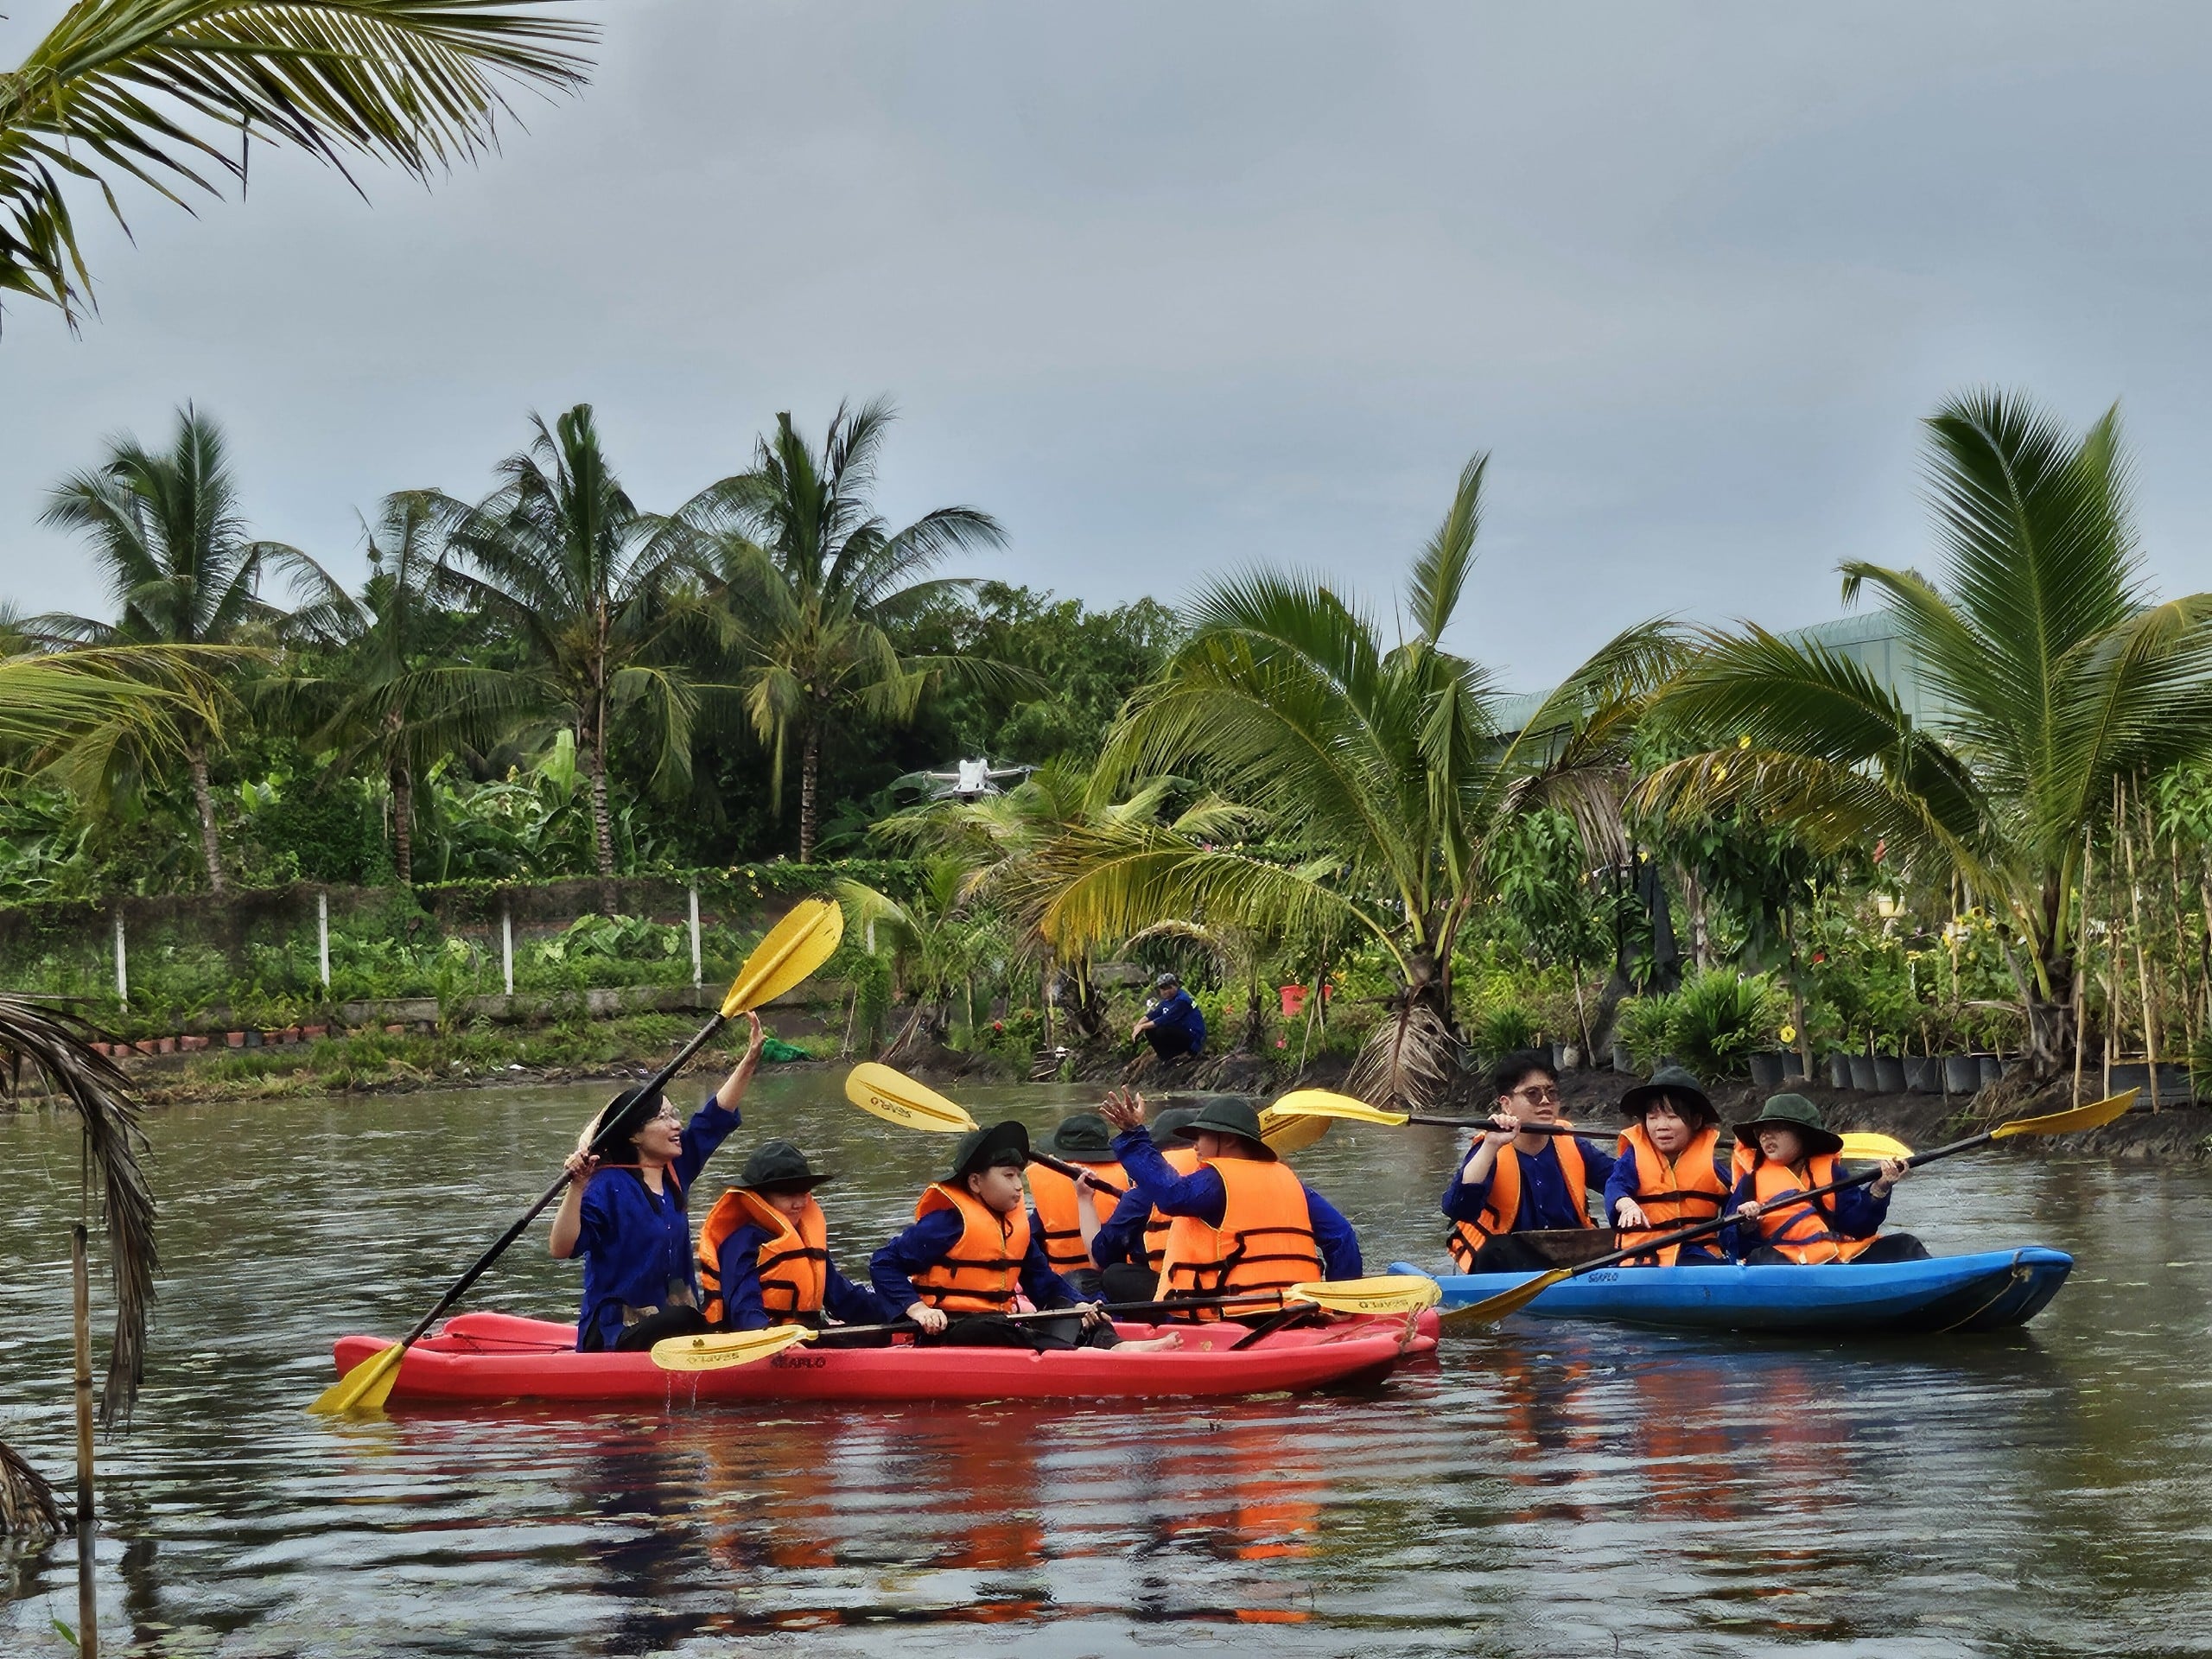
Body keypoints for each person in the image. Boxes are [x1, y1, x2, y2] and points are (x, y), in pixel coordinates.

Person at [550, 1012, 765, 1351]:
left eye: (675, 1115)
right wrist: (577, 1186)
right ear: (635, 1134)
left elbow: (715, 1118)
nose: (677, 1124)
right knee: (686, 1319)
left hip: (675, 1331)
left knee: (702, 1316)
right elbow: (561, 1248)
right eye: (663, 1118)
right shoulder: (606, 1185)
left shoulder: (676, 1169)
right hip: (614, 1334)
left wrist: (749, 1062)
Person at [869, 1119, 1180, 1351]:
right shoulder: (946, 1223)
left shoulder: (1014, 1228)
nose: (1019, 1186)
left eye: (1018, 1175)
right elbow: (884, 1263)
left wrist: (1078, 1305)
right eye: (1008, 1176)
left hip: (1002, 1324)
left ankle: (1114, 1345)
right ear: (975, 1183)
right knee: (981, 1329)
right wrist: (919, 1309)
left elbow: (1044, 1285)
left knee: (1075, 1307)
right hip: (952, 1331)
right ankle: (1076, 1354)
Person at [1098, 1089, 1361, 1320]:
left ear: (1230, 1140)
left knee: (1115, 1276)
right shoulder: (1292, 1183)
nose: (1196, 1146)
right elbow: (1341, 1236)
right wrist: (1340, 1306)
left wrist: (1134, 1136)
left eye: (1202, 1136)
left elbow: (1172, 1196)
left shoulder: (1215, 1181)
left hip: (1234, 1313)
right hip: (1295, 1308)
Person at [695, 1140, 898, 1344]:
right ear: (760, 1198)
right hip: (762, 1343)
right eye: (787, 1194)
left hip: (806, 1337)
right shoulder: (742, 1244)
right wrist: (775, 1341)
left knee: (880, 1336)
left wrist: (899, 1310)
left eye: (803, 1193)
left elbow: (845, 1299)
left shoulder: (805, 1241)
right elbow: (744, 1309)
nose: (799, 1203)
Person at [1441, 1049, 1618, 1273]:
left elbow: (1619, 1178)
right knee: (1498, 1251)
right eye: (1532, 1094)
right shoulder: (1489, 1148)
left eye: (1551, 1093)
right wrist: (1491, 1145)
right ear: (1506, 1104)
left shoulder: (1573, 1144)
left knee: (1622, 1239)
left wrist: (1625, 1200)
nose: (1545, 1101)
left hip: (1569, 1254)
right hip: (1507, 1259)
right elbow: (1459, 1208)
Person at [1724, 1094, 1926, 1264]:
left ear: (1804, 1136)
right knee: (1762, 1259)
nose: (1766, 1136)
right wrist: (1745, 1225)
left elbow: (1857, 1227)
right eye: (1762, 1132)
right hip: (1783, 1262)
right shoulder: (1750, 1183)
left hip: (1834, 1260)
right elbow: (1731, 1244)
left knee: (1904, 1245)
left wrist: (1880, 1187)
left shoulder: (1833, 1174)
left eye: (1777, 1128)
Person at [1605, 1065, 1731, 1266]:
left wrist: (1746, 1210)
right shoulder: (1633, 1158)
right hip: (1642, 1258)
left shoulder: (1711, 1165)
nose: (1661, 1126)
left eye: (1672, 1117)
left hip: (1696, 1255)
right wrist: (1626, 1204)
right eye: (1653, 1118)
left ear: (1696, 1121)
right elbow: (1615, 1186)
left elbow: (1736, 1199)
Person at [1089, 1103, 1203, 1304]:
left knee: (1114, 1274)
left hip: (1171, 1293)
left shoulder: (1142, 1192)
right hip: (1220, 1283)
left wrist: (1085, 1200)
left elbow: (1102, 1256)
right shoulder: (1217, 1177)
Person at [1026, 1112, 1132, 1300]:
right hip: (1118, 1281)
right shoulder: (1128, 1174)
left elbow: (1031, 1238)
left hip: (1065, 1281)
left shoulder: (1043, 1176)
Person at [1133, 971, 1206, 1064]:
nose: (1164, 991)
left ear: (1175, 986)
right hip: (1180, 1031)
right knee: (1150, 1031)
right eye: (1161, 988)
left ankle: (1186, 1053)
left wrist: (1142, 1026)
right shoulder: (1167, 1001)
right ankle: (1167, 1057)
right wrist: (1138, 1025)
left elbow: (1164, 1019)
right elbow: (1153, 1014)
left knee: (1162, 1029)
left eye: (1167, 988)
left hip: (1193, 1036)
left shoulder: (1182, 1000)